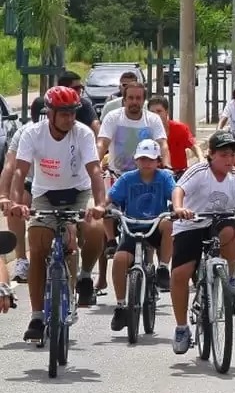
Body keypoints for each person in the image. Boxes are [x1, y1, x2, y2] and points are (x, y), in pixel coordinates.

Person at [8, 86, 107, 341]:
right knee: (38, 244)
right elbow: (19, 172)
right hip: (46, 195)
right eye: (63, 113)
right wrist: (15, 203)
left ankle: (85, 276)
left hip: (79, 192)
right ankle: (37, 315)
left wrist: (99, 204)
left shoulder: (83, 134)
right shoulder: (33, 134)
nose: (69, 118)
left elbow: (95, 171)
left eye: (72, 112)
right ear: (49, 113)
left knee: (96, 229)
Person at [169, 131, 235, 354]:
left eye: (232, 154)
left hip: (220, 223)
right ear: (211, 154)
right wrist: (179, 208)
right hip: (192, 224)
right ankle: (182, 327)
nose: (229, 159)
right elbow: (179, 189)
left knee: (231, 229)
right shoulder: (199, 171)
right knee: (180, 274)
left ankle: (229, 277)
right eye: (223, 154)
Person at [106, 139, 175, 331]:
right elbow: (110, 199)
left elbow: (175, 195)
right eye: (142, 159)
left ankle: (162, 268)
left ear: (158, 161)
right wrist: (105, 207)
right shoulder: (127, 179)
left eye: (151, 159)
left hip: (155, 226)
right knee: (120, 260)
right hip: (131, 227)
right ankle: (121, 306)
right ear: (136, 160)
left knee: (169, 223)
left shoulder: (165, 177)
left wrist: (178, 208)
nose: (146, 163)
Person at [0, 106, 48, 284]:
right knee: (15, 205)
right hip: (31, 181)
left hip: (57, 186)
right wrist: (5, 197)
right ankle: (21, 259)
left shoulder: (70, 131)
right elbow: (10, 167)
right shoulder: (23, 133)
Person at [148, 96, 203, 177]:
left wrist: (201, 159)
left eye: (159, 111)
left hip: (179, 174)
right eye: (152, 112)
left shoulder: (180, 128)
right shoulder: (145, 131)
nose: (156, 115)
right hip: (154, 176)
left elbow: (194, 146)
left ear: (166, 112)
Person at [30, 70, 100, 132]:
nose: (69, 119)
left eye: (73, 113)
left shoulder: (84, 105)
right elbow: (35, 126)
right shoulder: (40, 104)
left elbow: (95, 126)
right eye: (63, 114)